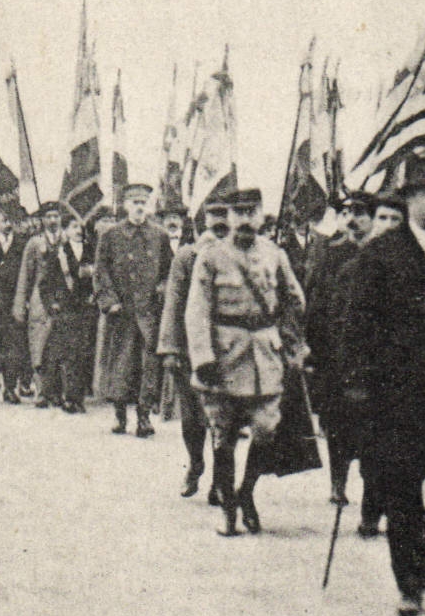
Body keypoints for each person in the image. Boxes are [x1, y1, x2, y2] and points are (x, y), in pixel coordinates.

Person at [336, 159, 425, 616]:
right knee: (401, 490)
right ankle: (409, 585)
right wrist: (357, 385)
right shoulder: (380, 256)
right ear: (410, 199)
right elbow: (354, 326)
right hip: (396, 397)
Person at [185, 187, 305, 536]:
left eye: (252, 212)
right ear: (229, 216)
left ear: (262, 214)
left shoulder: (275, 254)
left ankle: (246, 493)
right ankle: (228, 510)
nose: (245, 219)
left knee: (266, 430)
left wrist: (291, 344)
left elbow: (295, 302)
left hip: (266, 357)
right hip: (224, 358)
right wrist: (202, 356)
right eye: (239, 213)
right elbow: (197, 311)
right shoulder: (211, 257)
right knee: (222, 436)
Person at [303, 190, 375, 521]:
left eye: (360, 212)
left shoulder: (382, 253)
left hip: (375, 355)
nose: (352, 218)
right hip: (337, 352)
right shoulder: (331, 254)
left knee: (374, 424)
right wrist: (316, 348)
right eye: (346, 212)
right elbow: (316, 303)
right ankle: (338, 481)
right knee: (338, 421)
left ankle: (373, 487)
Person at [157, 195, 231, 500]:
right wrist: (171, 349)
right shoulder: (187, 256)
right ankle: (196, 463)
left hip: (228, 349)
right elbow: (174, 304)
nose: (218, 228)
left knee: (223, 420)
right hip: (190, 349)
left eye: (223, 222)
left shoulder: (238, 255)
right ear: (202, 223)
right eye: (212, 221)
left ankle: (219, 482)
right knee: (192, 419)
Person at [95, 183, 173, 436]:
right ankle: (120, 415)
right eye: (134, 202)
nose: (139, 207)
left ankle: (144, 416)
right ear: (125, 205)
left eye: (143, 202)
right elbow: (101, 272)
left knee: (148, 366)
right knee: (121, 364)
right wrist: (110, 301)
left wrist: (162, 289)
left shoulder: (159, 235)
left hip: (148, 313)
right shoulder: (111, 235)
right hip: (122, 312)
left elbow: (167, 271)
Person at [36, 213, 96, 413]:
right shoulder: (59, 253)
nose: (78, 231)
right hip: (64, 309)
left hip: (85, 309)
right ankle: (62, 396)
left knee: (81, 354)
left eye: (80, 227)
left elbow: (99, 279)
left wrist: (95, 296)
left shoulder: (92, 251)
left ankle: (77, 398)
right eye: (73, 227)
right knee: (62, 354)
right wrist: (51, 303)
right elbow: (45, 283)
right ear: (66, 231)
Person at [14, 202, 65, 406]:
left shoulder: (67, 240)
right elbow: (25, 275)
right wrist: (20, 304)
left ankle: (58, 391)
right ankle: (41, 391)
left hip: (62, 297)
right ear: (42, 220)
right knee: (39, 343)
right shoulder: (34, 243)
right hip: (39, 298)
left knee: (60, 344)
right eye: (49, 217)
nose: (53, 220)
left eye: (56, 216)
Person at [0, 203, 29, 404]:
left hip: (13, 302)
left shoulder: (22, 244)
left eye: (11, 221)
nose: (8, 225)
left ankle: (10, 388)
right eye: (4, 221)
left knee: (13, 349)